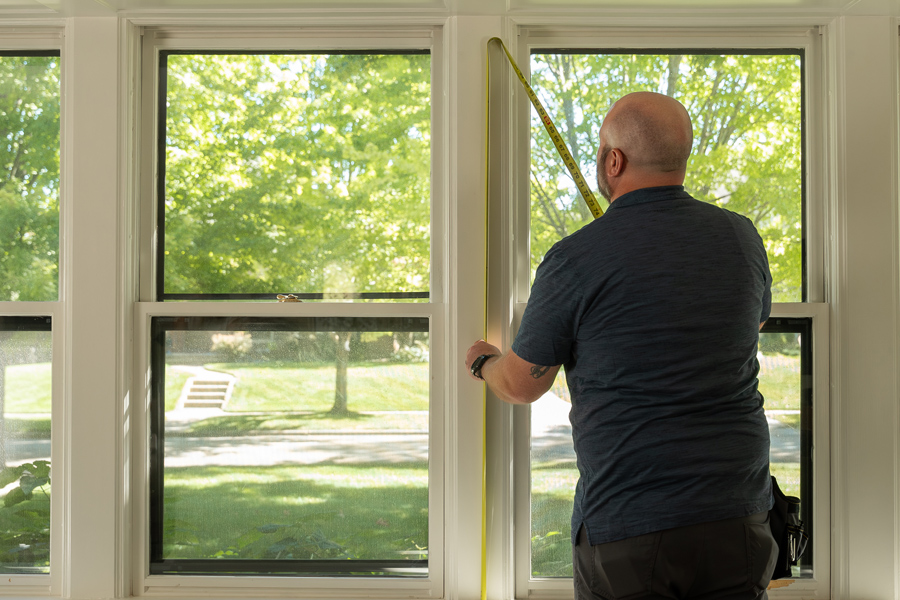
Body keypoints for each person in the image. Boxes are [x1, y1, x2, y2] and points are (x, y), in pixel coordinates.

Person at [465, 91, 778, 599]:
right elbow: (749, 325)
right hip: (737, 512)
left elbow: (523, 385)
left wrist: (484, 361)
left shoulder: (576, 258)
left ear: (614, 160)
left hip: (631, 521)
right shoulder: (742, 238)